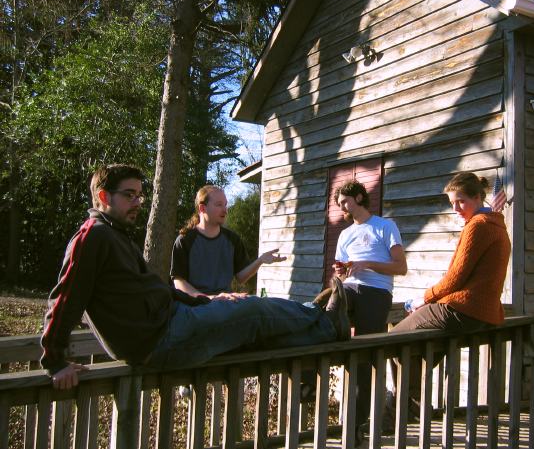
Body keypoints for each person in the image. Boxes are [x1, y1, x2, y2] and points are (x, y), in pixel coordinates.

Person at [40, 164, 350, 390]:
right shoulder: (92, 237)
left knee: (252, 336)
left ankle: (325, 327)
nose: (138, 202)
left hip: (173, 321)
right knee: (253, 310)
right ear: (104, 196)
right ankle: (319, 316)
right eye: (129, 195)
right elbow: (64, 297)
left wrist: (200, 302)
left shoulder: (116, 235)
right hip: (158, 340)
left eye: (139, 196)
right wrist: (55, 361)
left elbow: (157, 291)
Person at [390, 171, 511, 414]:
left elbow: (454, 280)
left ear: (479, 197)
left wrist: (422, 299)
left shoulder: (477, 226)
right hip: (482, 313)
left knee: (394, 340)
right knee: (420, 350)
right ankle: (408, 406)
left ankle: (403, 408)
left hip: (462, 310)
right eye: (452, 203)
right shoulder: (498, 226)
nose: (456, 208)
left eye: (461, 201)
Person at [330, 180, 407, 438]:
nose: (343, 206)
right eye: (340, 203)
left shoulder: (385, 226)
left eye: (345, 201)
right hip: (349, 289)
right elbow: (341, 268)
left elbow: (400, 267)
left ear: (360, 197)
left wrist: (367, 264)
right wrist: (341, 270)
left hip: (377, 292)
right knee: (326, 307)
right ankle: (310, 374)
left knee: (364, 356)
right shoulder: (345, 234)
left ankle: (356, 426)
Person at [171, 185, 284, 299]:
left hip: (226, 303)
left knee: (263, 304)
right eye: (219, 204)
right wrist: (209, 298)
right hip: (194, 307)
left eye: (225, 204)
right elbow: (179, 283)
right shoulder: (185, 240)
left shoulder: (233, 240)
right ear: (202, 208)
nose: (225, 210)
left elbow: (241, 277)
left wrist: (260, 260)